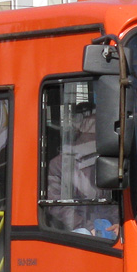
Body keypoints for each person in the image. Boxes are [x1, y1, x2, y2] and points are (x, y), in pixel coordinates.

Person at [45, 102, 118, 238]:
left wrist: (117, 222)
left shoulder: (109, 161)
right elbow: (56, 205)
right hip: (75, 232)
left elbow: (113, 200)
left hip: (106, 228)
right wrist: (86, 227)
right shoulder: (58, 165)